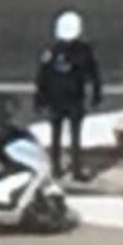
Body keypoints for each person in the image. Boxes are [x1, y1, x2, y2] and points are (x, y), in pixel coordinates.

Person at [35, 10, 102, 181]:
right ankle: (73, 169)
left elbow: (42, 78)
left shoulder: (51, 52)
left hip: (60, 100)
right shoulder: (84, 51)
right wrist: (96, 95)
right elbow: (94, 75)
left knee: (58, 135)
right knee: (72, 136)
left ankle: (58, 168)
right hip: (72, 99)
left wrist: (40, 99)